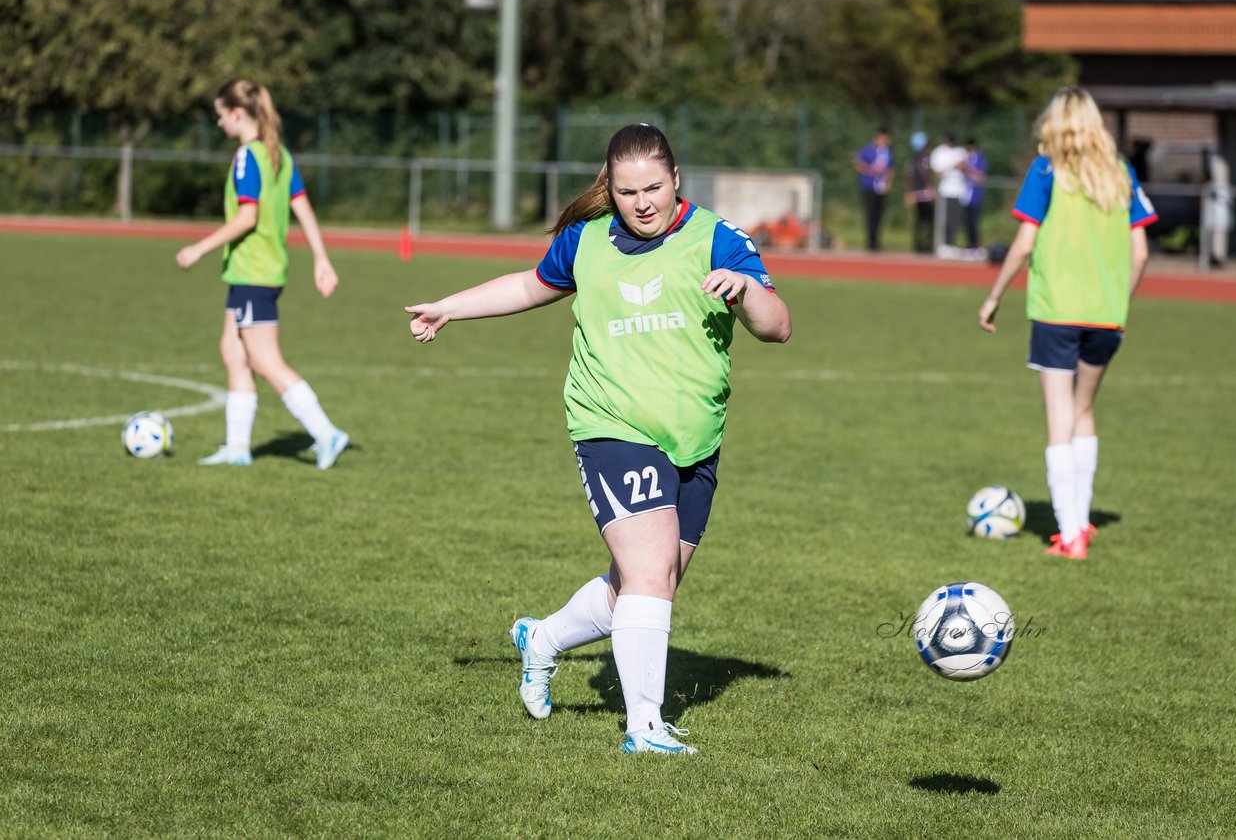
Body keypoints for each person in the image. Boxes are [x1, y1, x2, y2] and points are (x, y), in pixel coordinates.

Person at [403, 123, 791, 754]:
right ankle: (644, 726)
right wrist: (450, 306)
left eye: (654, 189)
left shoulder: (717, 237)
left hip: (694, 438)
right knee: (646, 570)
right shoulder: (585, 241)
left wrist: (746, 291)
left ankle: (543, 640)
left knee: (647, 585)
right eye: (628, 190)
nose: (642, 203)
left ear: (675, 181)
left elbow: (778, 327)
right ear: (609, 187)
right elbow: (531, 285)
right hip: (610, 424)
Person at [978, 87, 1157, 559]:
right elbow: (1141, 251)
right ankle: (1081, 521)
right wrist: (1119, 300)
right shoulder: (1121, 174)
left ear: (1054, 125)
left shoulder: (1047, 171)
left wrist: (994, 296)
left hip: (1057, 311)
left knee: (1060, 419)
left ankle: (1071, 533)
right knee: (1084, 412)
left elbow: (1023, 243)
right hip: (1107, 317)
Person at [176, 79, 350, 470]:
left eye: (221, 117)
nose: (219, 125)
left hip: (254, 273)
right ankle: (237, 448)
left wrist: (199, 248)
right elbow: (303, 208)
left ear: (237, 114)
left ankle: (326, 433)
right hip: (254, 273)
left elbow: (247, 216)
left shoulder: (247, 157)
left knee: (265, 359)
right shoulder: (279, 154)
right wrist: (321, 259)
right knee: (232, 351)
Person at [853, 127, 894, 251]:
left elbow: (891, 169)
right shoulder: (868, 150)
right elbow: (858, 164)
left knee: (879, 215)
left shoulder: (888, 152)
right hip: (868, 186)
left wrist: (888, 183)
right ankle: (870, 241)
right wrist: (870, 170)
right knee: (870, 214)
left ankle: (877, 241)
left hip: (881, 188)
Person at [930, 132, 967, 248]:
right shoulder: (938, 153)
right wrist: (952, 165)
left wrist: (960, 165)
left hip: (959, 191)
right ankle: (943, 243)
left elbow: (965, 167)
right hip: (945, 191)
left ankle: (951, 243)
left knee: (955, 219)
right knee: (944, 219)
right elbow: (938, 173)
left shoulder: (960, 151)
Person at [905, 131, 936, 254]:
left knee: (919, 220)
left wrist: (908, 192)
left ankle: (918, 244)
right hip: (924, 193)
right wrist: (931, 187)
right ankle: (926, 244)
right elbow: (925, 174)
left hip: (916, 193)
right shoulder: (924, 160)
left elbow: (908, 177)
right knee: (927, 220)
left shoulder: (912, 160)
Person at [960, 137, 987, 252]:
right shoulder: (965, 157)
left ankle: (976, 244)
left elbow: (981, 176)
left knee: (974, 221)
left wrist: (968, 169)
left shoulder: (979, 158)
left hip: (975, 195)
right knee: (966, 221)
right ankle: (969, 244)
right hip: (965, 194)